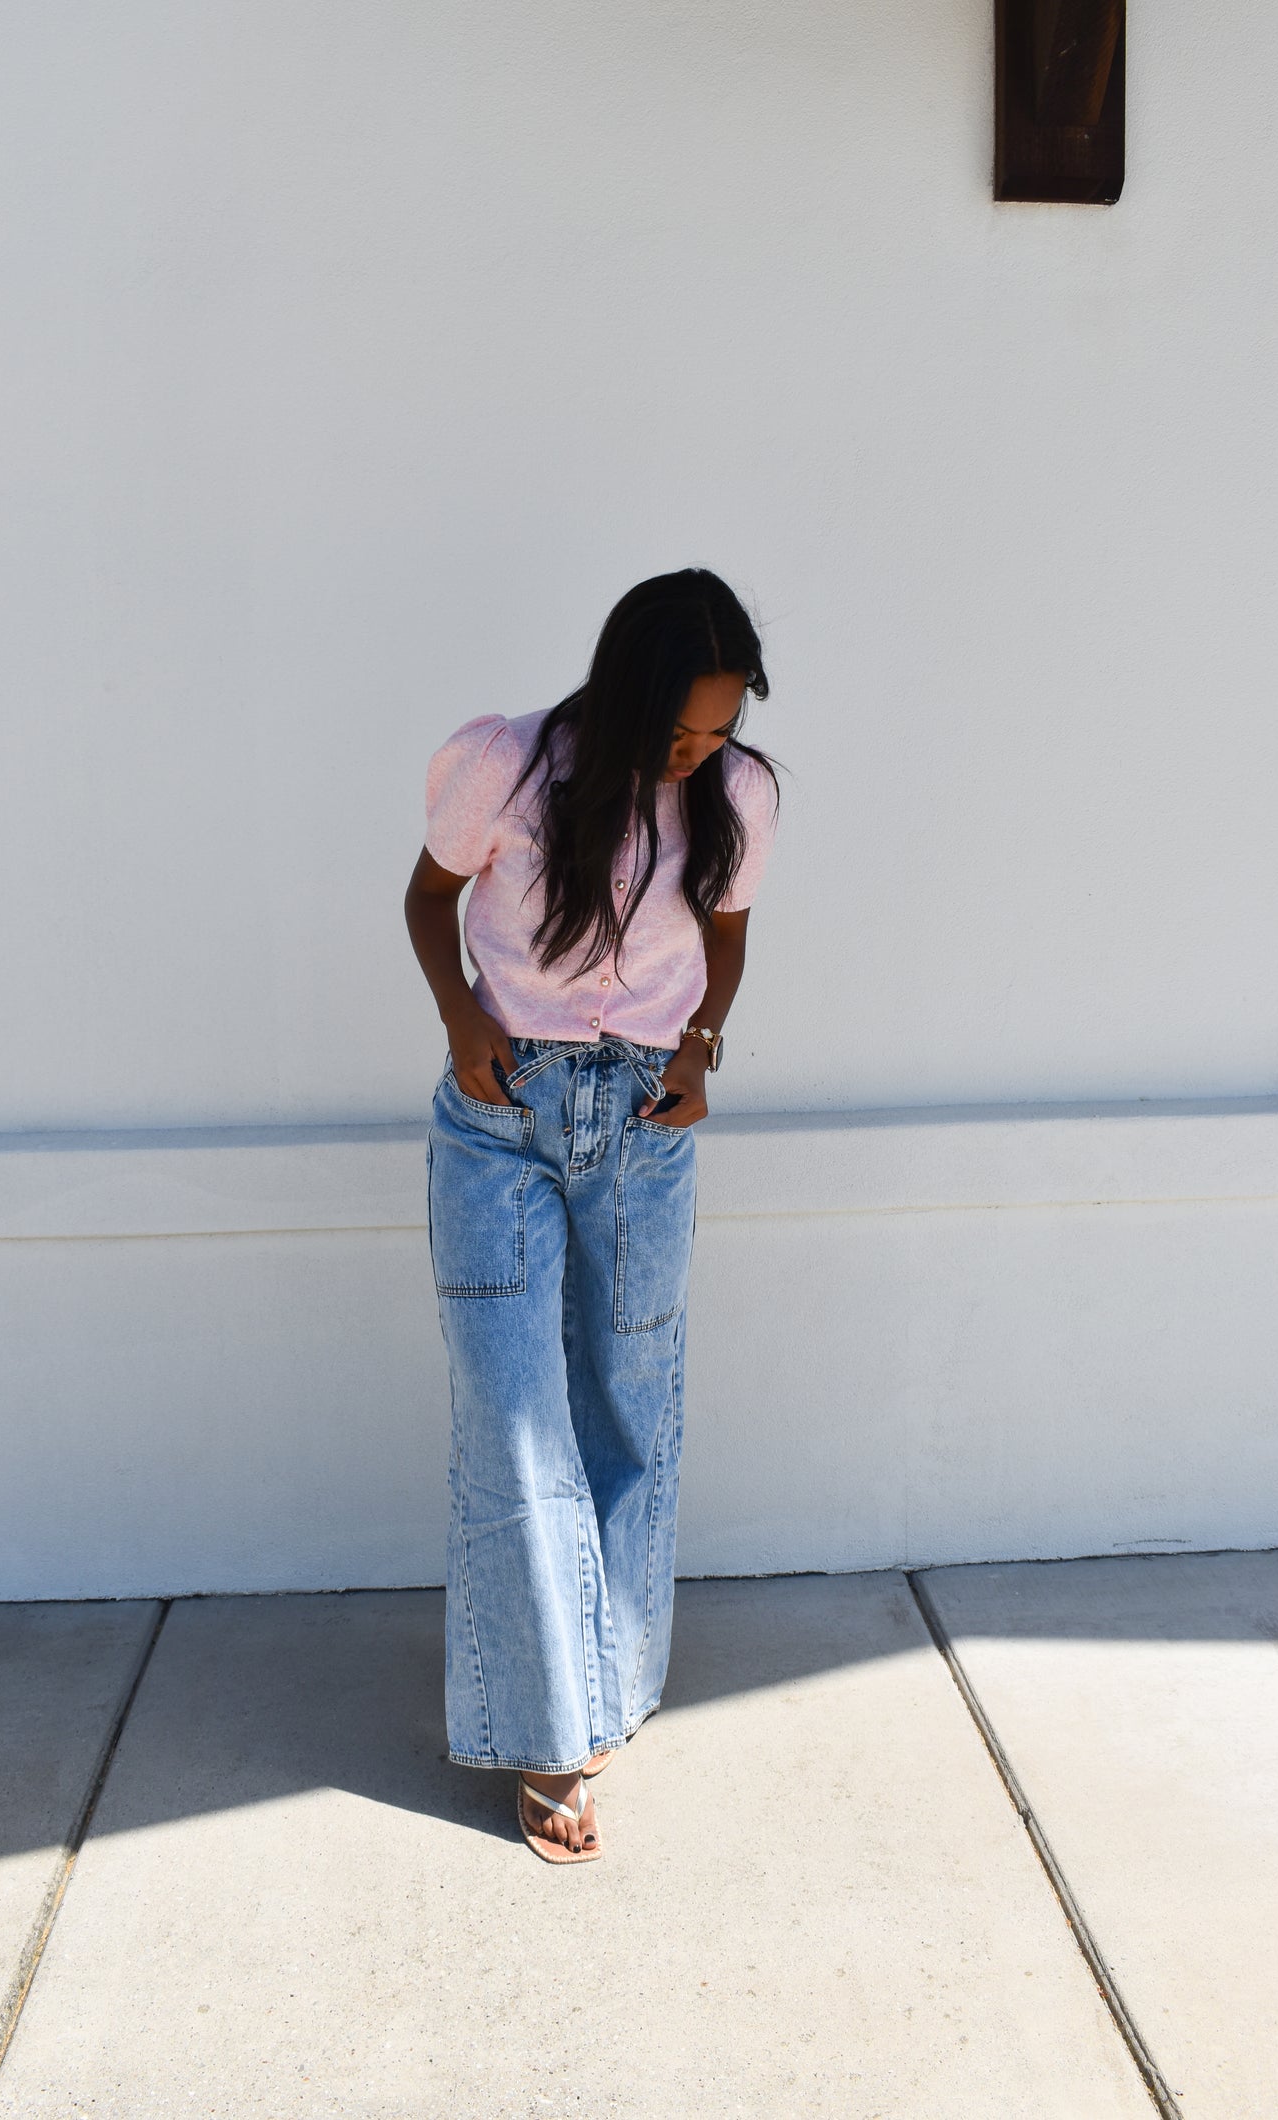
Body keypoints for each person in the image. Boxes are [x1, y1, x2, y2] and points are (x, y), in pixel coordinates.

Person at [403, 568, 778, 1864]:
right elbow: (425, 897)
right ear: (619, 696)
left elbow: (723, 932)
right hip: (500, 1114)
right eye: (678, 731)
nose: (700, 753)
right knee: (515, 1426)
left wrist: (701, 1048)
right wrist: (462, 1022)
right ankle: (551, 1736)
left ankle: (604, 1684)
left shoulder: (737, 793)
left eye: (719, 729)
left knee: (629, 1406)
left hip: (644, 1126)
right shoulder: (507, 766)